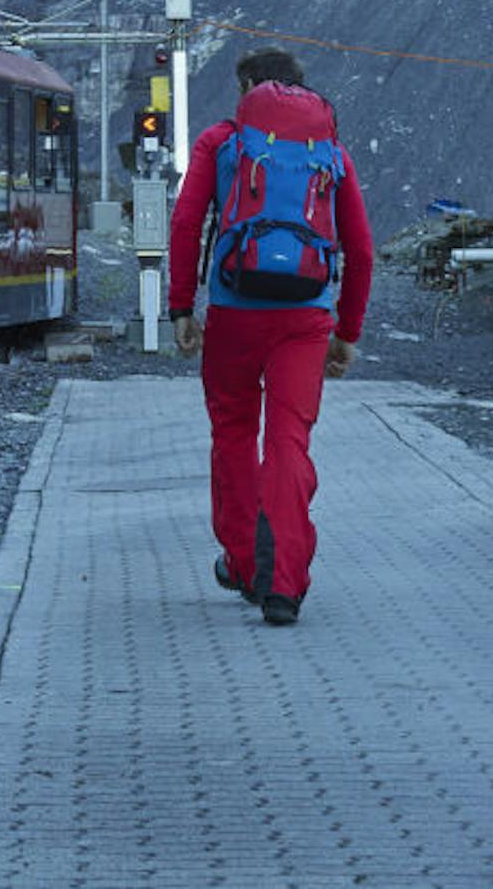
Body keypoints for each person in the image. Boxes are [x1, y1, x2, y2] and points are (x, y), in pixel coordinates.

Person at [170, 47, 374, 626]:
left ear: (249, 86)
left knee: (233, 435)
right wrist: (347, 331)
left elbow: (187, 223)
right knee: (288, 442)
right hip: (306, 319)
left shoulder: (221, 141)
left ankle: (242, 564)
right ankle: (284, 584)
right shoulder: (329, 152)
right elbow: (360, 250)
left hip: (235, 311)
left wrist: (181, 306)